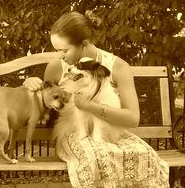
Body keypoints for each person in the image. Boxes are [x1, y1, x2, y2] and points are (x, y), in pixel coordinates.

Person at [23, 11, 169, 188]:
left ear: (83, 44)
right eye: (57, 50)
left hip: (111, 131)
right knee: (96, 156)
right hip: (73, 131)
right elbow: (45, 106)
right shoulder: (57, 67)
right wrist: (30, 87)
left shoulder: (117, 66)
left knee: (144, 154)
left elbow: (132, 118)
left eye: (64, 50)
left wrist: (91, 107)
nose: (60, 55)